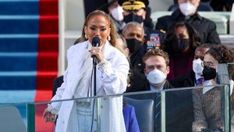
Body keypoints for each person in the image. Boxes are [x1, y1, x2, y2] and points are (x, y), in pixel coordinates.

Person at [43, 10, 129, 132]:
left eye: (102, 29)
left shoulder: (117, 57)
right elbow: (68, 84)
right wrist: (54, 106)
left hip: (102, 114)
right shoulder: (74, 51)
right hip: (76, 111)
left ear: (109, 31)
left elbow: (116, 88)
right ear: (85, 30)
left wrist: (103, 62)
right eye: (93, 28)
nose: (97, 33)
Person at [142, 48, 194, 132]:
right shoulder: (136, 96)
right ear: (145, 71)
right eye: (151, 67)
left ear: (167, 70)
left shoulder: (181, 98)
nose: (155, 70)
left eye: (159, 67)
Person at [192, 45, 234, 132]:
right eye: (204, 64)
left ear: (224, 67)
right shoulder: (199, 90)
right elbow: (199, 119)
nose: (205, 68)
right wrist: (200, 129)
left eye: (210, 64)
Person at [155, 0, 221, 44]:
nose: (187, 2)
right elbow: (154, 44)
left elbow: (216, 47)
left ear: (198, 1)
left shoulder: (208, 25)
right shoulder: (163, 22)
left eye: (191, 0)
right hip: (171, 61)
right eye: (184, 0)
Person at [122, 22, 148, 92]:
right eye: (131, 35)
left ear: (143, 40)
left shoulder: (147, 58)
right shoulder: (115, 55)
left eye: (138, 36)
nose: (134, 38)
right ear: (123, 37)